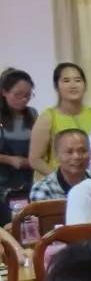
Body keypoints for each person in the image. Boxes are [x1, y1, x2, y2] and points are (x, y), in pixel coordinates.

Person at [28, 63, 91, 178]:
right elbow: (35, 160)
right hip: (55, 184)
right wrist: (62, 179)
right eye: (66, 81)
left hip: (88, 182)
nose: (73, 85)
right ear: (56, 87)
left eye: (78, 80)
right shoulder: (48, 118)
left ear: (85, 85)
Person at [0, 69, 36, 224]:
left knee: (25, 223)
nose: (23, 99)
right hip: (3, 182)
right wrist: (10, 160)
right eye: (18, 94)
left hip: (26, 181)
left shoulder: (33, 114)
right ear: (4, 92)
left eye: (28, 95)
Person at [28, 129, 89, 201]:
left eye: (82, 151)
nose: (77, 157)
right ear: (56, 156)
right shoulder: (43, 189)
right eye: (69, 152)